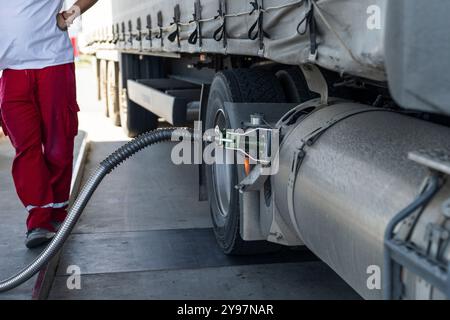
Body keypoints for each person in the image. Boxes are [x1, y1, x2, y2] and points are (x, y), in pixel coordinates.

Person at [0, 0, 98, 248]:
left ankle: (56, 213)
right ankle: (38, 219)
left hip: (53, 63)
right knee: (26, 148)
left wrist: (72, 12)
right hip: (11, 72)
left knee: (58, 143)